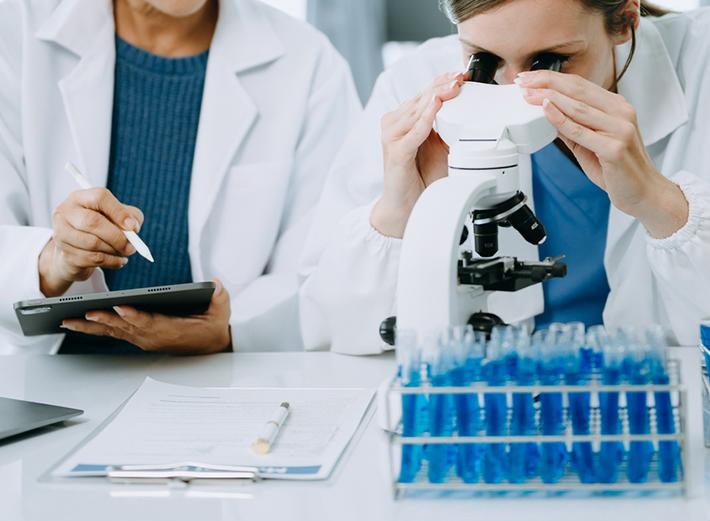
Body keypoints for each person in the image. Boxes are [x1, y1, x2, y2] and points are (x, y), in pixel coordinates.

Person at [299, 0, 710, 354]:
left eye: (552, 61)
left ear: (625, 20)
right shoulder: (415, 81)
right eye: (484, 59)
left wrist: (660, 203)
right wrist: (401, 211)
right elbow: (328, 326)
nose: (516, 89)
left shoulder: (701, 64)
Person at [0, 0, 360, 354]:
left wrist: (234, 331)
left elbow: (324, 272)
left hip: (221, 386)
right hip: (46, 384)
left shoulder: (309, 63)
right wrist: (52, 261)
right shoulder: (16, 31)